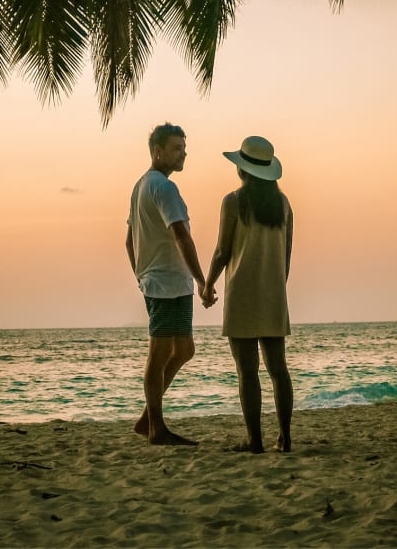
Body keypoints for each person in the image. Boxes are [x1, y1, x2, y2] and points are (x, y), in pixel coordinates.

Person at [203, 135, 294, 454]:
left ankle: (255, 440)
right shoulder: (283, 204)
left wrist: (208, 284)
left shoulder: (233, 201)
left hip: (241, 292)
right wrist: (277, 287)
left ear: (242, 170)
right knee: (278, 369)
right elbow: (286, 255)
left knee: (247, 371)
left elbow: (222, 251)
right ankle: (284, 437)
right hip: (273, 294)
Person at [126, 123, 210, 446]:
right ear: (158, 151)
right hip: (166, 283)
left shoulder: (141, 186)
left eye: (184, 147)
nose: (183, 153)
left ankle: (148, 418)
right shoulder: (162, 187)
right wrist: (202, 279)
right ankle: (156, 428)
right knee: (159, 354)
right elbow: (180, 235)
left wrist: (140, 273)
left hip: (168, 282)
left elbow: (128, 241)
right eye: (177, 148)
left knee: (184, 349)